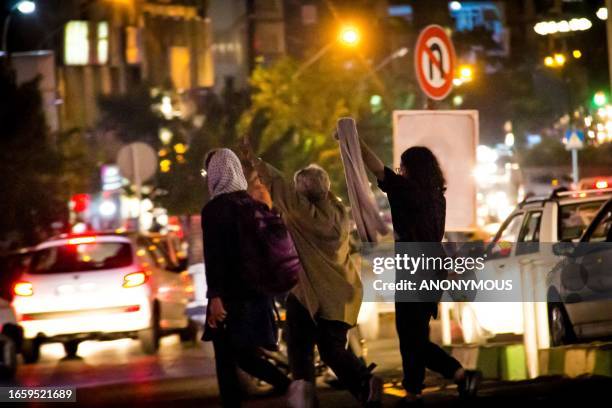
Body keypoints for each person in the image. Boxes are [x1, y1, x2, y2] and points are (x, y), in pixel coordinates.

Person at [245, 149, 382, 407]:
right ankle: (363, 385)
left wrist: (254, 160)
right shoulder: (339, 213)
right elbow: (321, 194)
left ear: (301, 194)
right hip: (340, 295)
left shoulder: (302, 215)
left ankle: (306, 395)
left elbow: (278, 184)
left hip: (310, 293)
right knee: (332, 351)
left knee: (300, 349)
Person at [353, 138, 481, 404]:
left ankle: (459, 373)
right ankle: (414, 391)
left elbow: (377, 168)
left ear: (411, 169)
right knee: (415, 332)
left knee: (411, 335)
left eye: (402, 166)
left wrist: (353, 139)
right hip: (433, 266)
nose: (399, 171)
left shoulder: (407, 191)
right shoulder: (437, 196)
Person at [201, 148, 290, 407]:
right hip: (258, 295)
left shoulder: (214, 210)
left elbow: (214, 257)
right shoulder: (254, 205)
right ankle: (292, 385)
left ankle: (290, 386)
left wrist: (215, 297)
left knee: (228, 360)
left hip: (230, 296)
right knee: (245, 354)